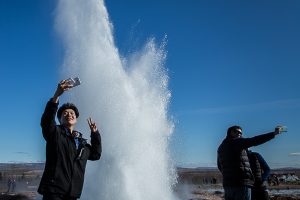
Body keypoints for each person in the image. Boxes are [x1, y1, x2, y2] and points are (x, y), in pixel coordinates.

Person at [38, 79, 102, 200]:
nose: (69, 114)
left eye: (72, 113)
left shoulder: (82, 143)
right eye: (65, 113)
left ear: (76, 119)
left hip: (73, 194)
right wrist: (56, 95)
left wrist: (95, 134)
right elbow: (46, 121)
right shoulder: (55, 133)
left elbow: (96, 154)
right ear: (60, 119)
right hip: (54, 192)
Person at [217, 125, 284, 200]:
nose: (240, 134)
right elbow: (255, 140)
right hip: (242, 184)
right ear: (231, 132)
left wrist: (229, 176)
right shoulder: (237, 142)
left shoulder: (221, 147)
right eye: (238, 132)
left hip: (228, 185)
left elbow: (220, 166)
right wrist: (273, 133)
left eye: (241, 133)